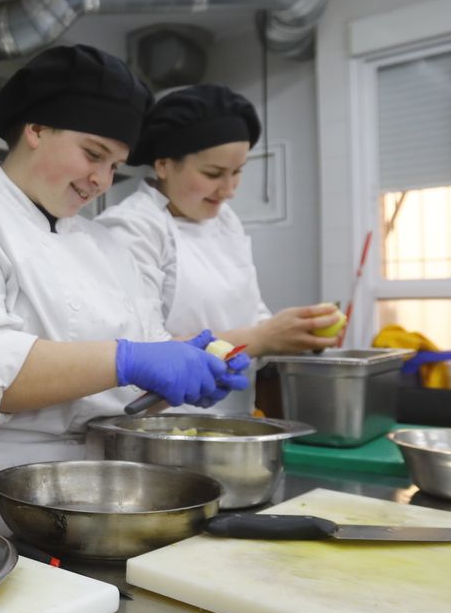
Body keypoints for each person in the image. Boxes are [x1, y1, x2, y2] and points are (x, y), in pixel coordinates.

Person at [0, 45, 249, 519]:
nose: (102, 180)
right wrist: (129, 360)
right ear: (37, 129)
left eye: (114, 166)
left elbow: (137, 366)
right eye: (93, 154)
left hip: (100, 491)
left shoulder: (104, 245)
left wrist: (187, 370)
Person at [96, 84, 341, 415]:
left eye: (237, 172)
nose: (229, 190)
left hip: (234, 414)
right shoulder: (131, 229)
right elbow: (143, 352)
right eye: (213, 174)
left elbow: (250, 312)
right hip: (163, 425)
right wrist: (264, 336)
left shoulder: (225, 221)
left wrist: (297, 334)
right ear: (164, 164)